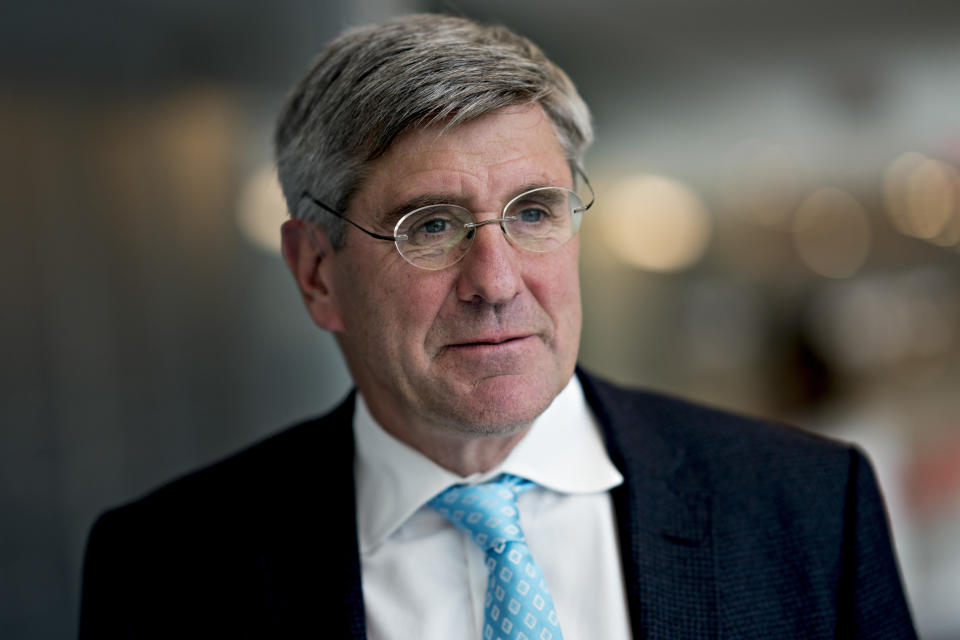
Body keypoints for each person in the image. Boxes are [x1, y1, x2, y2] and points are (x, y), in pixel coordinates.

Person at [79, 13, 916, 639]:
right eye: (431, 226)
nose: (497, 281)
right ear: (316, 273)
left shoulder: (804, 507)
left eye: (533, 211)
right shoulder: (167, 569)